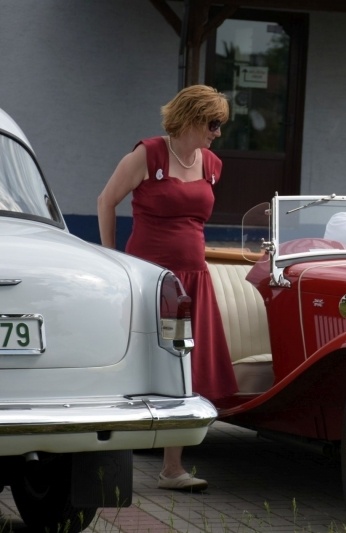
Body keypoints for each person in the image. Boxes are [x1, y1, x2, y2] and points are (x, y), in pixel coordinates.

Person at [97, 85, 238, 492]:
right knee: (140, 361)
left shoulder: (212, 163)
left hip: (192, 280)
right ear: (191, 117)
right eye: (213, 124)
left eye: (219, 125)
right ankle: (110, 453)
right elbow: (107, 200)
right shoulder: (148, 154)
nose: (217, 132)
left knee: (184, 367)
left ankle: (172, 468)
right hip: (149, 276)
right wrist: (112, 262)